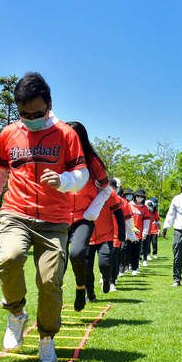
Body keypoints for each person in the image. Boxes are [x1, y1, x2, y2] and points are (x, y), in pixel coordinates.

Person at [0, 72, 87, 362]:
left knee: (50, 281)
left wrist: (63, 180)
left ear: (49, 104)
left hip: (53, 220)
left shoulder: (66, 135)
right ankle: (15, 314)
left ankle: (46, 338)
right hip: (15, 213)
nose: (30, 119)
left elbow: (82, 176)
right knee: (10, 258)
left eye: (36, 113)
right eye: (24, 114)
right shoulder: (9, 134)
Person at [65, 121, 110, 311]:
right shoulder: (59, 158)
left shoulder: (92, 162)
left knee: (76, 253)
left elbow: (106, 190)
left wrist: (93, 210)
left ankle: (80, 287)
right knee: (56, 259)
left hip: (84, 218)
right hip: (60, 215)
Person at [85, 178, 126, 298]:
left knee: (105, 263)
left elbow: (119, 213)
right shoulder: (83, 190)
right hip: (87, 236)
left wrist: (122, 232)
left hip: (105, 235)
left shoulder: (109, 193)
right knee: (87, 267)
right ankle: (90, 292)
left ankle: (107, 279)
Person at [128, 188, 150, 275]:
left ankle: (135, 268)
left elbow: (146, 221)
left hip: (138, 234)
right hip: (129, 232)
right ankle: (126, 266)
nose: (139, 198)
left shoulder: (145, 208)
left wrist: (145, 232)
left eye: (141, 197)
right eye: (137, 196)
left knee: (136, 251)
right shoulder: (129, 205)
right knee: (126, 250)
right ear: (134, 196)